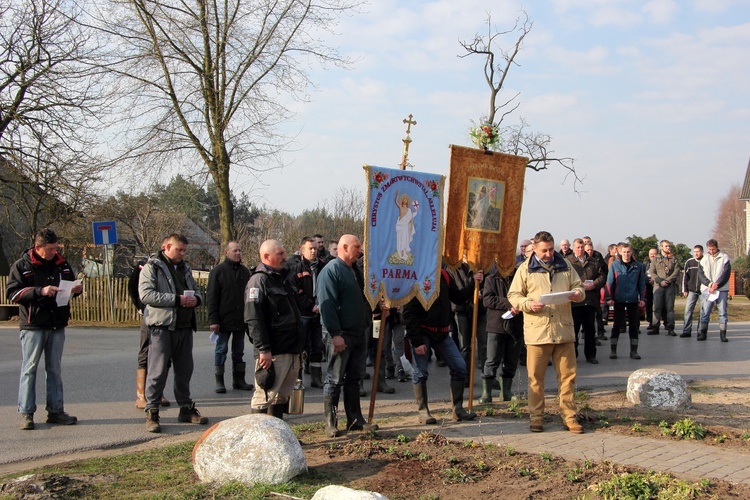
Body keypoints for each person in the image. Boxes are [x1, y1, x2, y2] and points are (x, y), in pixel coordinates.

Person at [508, 231, 585, 434]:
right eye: (544, 250)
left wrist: (578, 294)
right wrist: (527, 304)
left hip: (563, 331)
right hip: (537, 333)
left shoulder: (565, 265)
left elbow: (578, 286)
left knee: (568, 377)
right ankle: (536, 417)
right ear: (534, 248)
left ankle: (569, 417)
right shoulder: (524, 269)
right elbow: (513, 295)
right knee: (535, 378)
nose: (549, 254)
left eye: (551, 249)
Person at [7, 228, 83, 430]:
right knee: (29, 369)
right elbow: (12, 294)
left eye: (56, 248)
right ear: (38, 247)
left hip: (57, 323)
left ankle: (56, 411)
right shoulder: (22, 265)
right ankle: (26, 413)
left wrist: (76, 290)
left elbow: (70, 284)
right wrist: (40, 291)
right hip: (34, 325)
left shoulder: (62, 263)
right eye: (50, 249)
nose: (54, 252)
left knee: (55, 369)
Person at [138, 233, 207, 433]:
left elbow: (196, 290)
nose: (182, 254)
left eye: (185, 250)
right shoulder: (152, 267)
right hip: (162, 327)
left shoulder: (185, 268)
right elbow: (146, 295)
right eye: (179, 250)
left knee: (185, 371)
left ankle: (186, 409)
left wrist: (197, 300)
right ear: (166, 246)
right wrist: (177, 300)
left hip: (184, 326)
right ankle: (152, 411)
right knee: (157, 371)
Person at [402, 266, 482, 424]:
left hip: (442, 333)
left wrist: (474, 282)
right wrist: (417, 342)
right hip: (422, 333)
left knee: (459, 366)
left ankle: (458, 409)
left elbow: (458, 297)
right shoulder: (416, 277)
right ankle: (423, 412)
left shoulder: (444, 274)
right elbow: (408, 313)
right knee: (420, 373)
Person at [317, 234, 377, 437]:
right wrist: (335, 334)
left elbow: (361, 297)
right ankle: (331, 422)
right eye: (356, 247)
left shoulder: (355, 270)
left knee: (354, 378)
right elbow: (327, 306)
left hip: (359, 332)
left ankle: (355, 419)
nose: (360, 250)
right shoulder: (331, 271)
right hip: (341, 335)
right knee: (334, 379)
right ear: (344, 247)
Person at [245, 240, 305, 418]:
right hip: (273, 351)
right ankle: (258, 440)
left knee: (281, 397)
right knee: (265, 395)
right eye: (279, 254)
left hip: (291, 348)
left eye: (284, 253)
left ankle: (277, 436)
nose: (284, 257)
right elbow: (253, 318)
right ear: (266, 256)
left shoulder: (284, 278)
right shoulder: (258, 281)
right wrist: (263, 349)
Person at [207, 241, 253, 394]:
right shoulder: (218, 271)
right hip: (223, 320)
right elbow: (212, 298)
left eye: (240, 250)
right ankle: (219, 381)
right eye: (235, 250)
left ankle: (238, 380)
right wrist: (213, 320)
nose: (238, 253)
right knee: (221, 350)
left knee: (238, 351)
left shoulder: (245, 272)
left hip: (241, 320)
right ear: (226, 253)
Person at [128, 251, 171, 409]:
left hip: (167, 316)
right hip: (149, 314)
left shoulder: (172, 268)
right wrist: (140, 307)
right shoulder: (144, 267)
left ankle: (158, 393)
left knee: (165, 355)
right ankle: (141, 395)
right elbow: (133, 288)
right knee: (146, 351)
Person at [286, 236, 325, 388]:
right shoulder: (296, 268)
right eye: (310, 248)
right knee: (300, 347)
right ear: (302, 249)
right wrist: (311, 306)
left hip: (319, 314)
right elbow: (296, 291)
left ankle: (316, 378)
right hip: (303, 314)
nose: (314, 251)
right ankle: (298, 378)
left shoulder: (323, 266)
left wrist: (321, 306)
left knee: (317, 346)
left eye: (315, 248)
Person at [480, 268, 523, 403]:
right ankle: (486, 393)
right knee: (492, 359)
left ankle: (506, 392)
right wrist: (508, 303)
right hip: (496, 325)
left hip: (516, 325)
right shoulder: (491, 279)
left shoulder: (520, 277)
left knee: (511, 360)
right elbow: (487, 300)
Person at [567, 238, 607, 364]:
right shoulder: (568, 262)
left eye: (582, 247)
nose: (580, 250)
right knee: (574, 331)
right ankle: (573, 354)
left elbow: (603, 276)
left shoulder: (594, 261)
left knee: (590, 330)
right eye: (577, 247)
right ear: (573, 248)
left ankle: (591, 355)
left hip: (590, 300)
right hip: (575, 302)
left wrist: (594, 284)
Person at [606, 243, 646, 360]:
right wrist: (610, 298)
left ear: (631, 252)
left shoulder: (638, 266)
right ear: (620, 253)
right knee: (617, 326)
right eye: (624, 252)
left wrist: (643, 299)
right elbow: (610, 283)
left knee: (633, 326)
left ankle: (634, 351)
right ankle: (613, 350)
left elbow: (642, 284)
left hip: (633, 300)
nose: (626, 254)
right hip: (619, 300)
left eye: (628, 252)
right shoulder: (615, 265)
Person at [697, 239, 731, 342]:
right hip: (707, 290)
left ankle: (723, 334)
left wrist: (717, 284)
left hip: (721, 289)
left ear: (717, 247)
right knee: (705, 312)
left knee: (722, 312)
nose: (711, 251)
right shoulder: (704, 259)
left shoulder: (724, 258)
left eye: (713, 249)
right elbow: (701, 275)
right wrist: (710, 284)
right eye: (709, 249)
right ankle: (703, 333)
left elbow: (726, 274)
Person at [650, 240, 681, 336]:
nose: (668, 248)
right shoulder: (656, 259)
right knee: (656, 307)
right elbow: (652, 272)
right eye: (666, 246)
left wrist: (667, 280)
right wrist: (660, 281)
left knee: (670, 308)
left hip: (669, 286)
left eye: (669, 246)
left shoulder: (674, 259)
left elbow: (677, 271)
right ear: (661, 247)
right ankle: (655, 327)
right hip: (658, 286)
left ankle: (670, 328)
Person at [680, 245, 704, 338]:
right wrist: (684, 289)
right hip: (692, 290)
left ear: (702, 252)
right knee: (688, 310)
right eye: (695, 251)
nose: (696, 253)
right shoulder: (689, 262)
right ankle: (686, 330)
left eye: (698, 251)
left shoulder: (705, 261)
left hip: (703, 291)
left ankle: (701, 331)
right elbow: (685, 277)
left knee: (703, 311)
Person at [394, 191, 417, 260]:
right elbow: (396, 202)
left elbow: (410, 219)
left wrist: (411, 221)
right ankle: (400, 251)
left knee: (405, 238)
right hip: (400, 225)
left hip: (405, 226)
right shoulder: (400, 207)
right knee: (400, 238)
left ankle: (403, 251)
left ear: (407, 202)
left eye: (406, 200)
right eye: (404, 199)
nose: (405, 200)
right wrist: (397, 195)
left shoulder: (409, 210)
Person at [644, 248, 658, 333]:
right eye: (651, 254)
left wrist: (655, 280)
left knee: (658, 305)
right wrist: (648, 280)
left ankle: (660, 322)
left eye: (654, 254)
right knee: (648, 305)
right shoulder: (645, 264)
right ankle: (650, 322)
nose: (652, 255)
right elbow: (642, 274)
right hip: (648, 287)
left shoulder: (661, 263)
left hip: (657, 286)